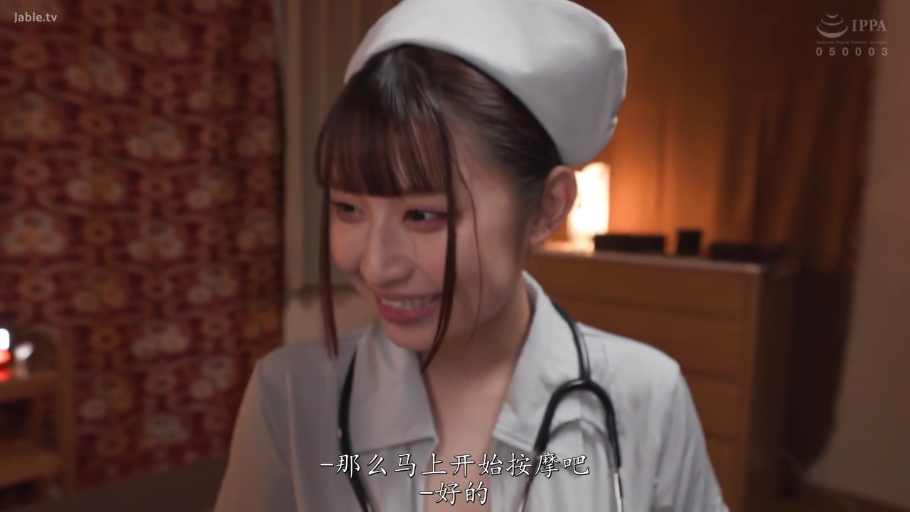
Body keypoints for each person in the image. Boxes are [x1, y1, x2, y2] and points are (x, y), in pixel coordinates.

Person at [214, 0, 728, 510]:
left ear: (547, 208)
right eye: (349, 208)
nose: (375, 267)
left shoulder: (646, 396)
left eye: (422, 215)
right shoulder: (288, 396)